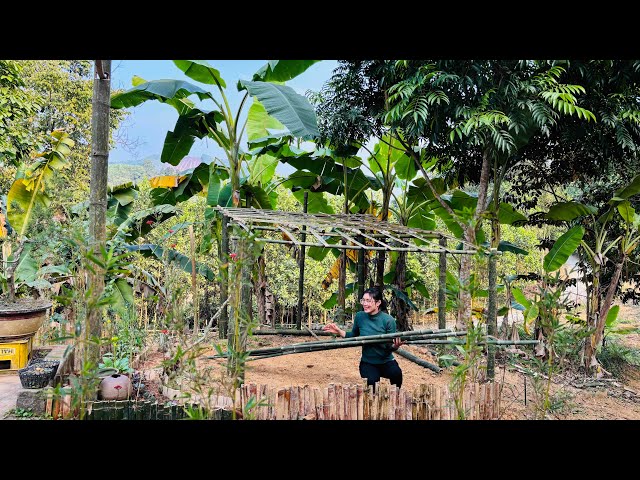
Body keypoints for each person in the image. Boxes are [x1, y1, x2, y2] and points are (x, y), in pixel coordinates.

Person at [323, 286, 404, 389]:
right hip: (368, 362)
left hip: (386, 361)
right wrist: (339, 331)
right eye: (363, 300)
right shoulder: (360, 317)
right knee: (372, 384)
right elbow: (353, 336)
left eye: (368, 301)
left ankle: (396, 399)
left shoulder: (388, 320)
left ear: (378, 303)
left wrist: (395, 346)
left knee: (397, 375)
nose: (365, 304)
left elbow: (389, 346)